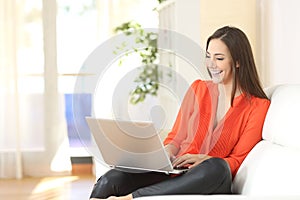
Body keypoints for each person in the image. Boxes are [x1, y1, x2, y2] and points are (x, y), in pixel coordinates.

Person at [89, 26, 271, 200]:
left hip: (206, 178)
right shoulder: (198, 88)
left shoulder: (257, 106)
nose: (211, 64)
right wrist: (165, 153)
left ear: (238, 61)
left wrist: (205, 159)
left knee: (217, 167)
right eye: (208, 56)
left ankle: (132, 198)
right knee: (112, 178)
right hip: (175, 170)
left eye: (219, 58)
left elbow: (237, 161)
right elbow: (175, 137)